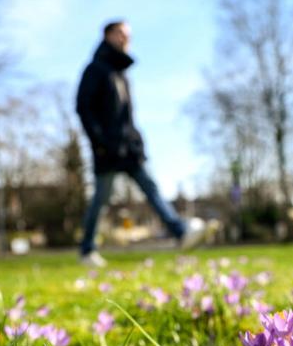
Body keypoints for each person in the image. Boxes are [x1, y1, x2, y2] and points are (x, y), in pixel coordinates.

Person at [76, 20, 204, 267]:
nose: (126, 39)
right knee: (101, 199)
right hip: (108, 149)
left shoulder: (120, 73)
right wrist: (100, 142)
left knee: (151, 188)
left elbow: (125, 117)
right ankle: (87, 250)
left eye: (129, 36)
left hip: (129, 148)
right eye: (122, 34)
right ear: (108, 35)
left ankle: (181, 233)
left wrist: (135, 140)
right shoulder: (96, 69)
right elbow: (83, 108)